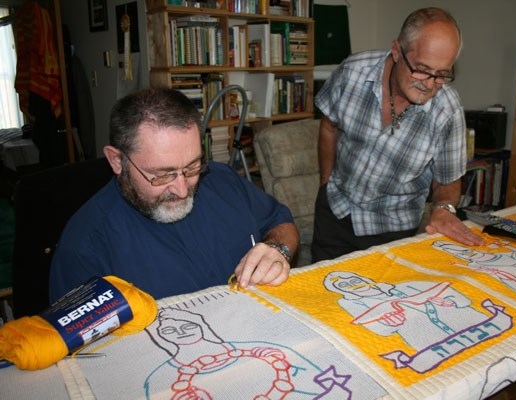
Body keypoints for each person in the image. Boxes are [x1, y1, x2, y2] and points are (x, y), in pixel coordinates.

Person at [49, 87, 299, 302]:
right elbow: (87, 352)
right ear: (117, 161)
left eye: (192, 167)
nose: (182, 190)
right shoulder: (85, 247)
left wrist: (277, 250)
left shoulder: (222, 179)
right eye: (162, 175)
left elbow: (281, 221)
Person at [312, 7, 483, 263]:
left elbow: (448, 180)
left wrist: (444, 209)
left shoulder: (447, 110)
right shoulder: (353, 71)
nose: (429, 83)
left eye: (442, 74)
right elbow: (329, 127)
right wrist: (325, 184)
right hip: (335, 210)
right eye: (422, 69)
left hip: (392, 227)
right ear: (396, 50)